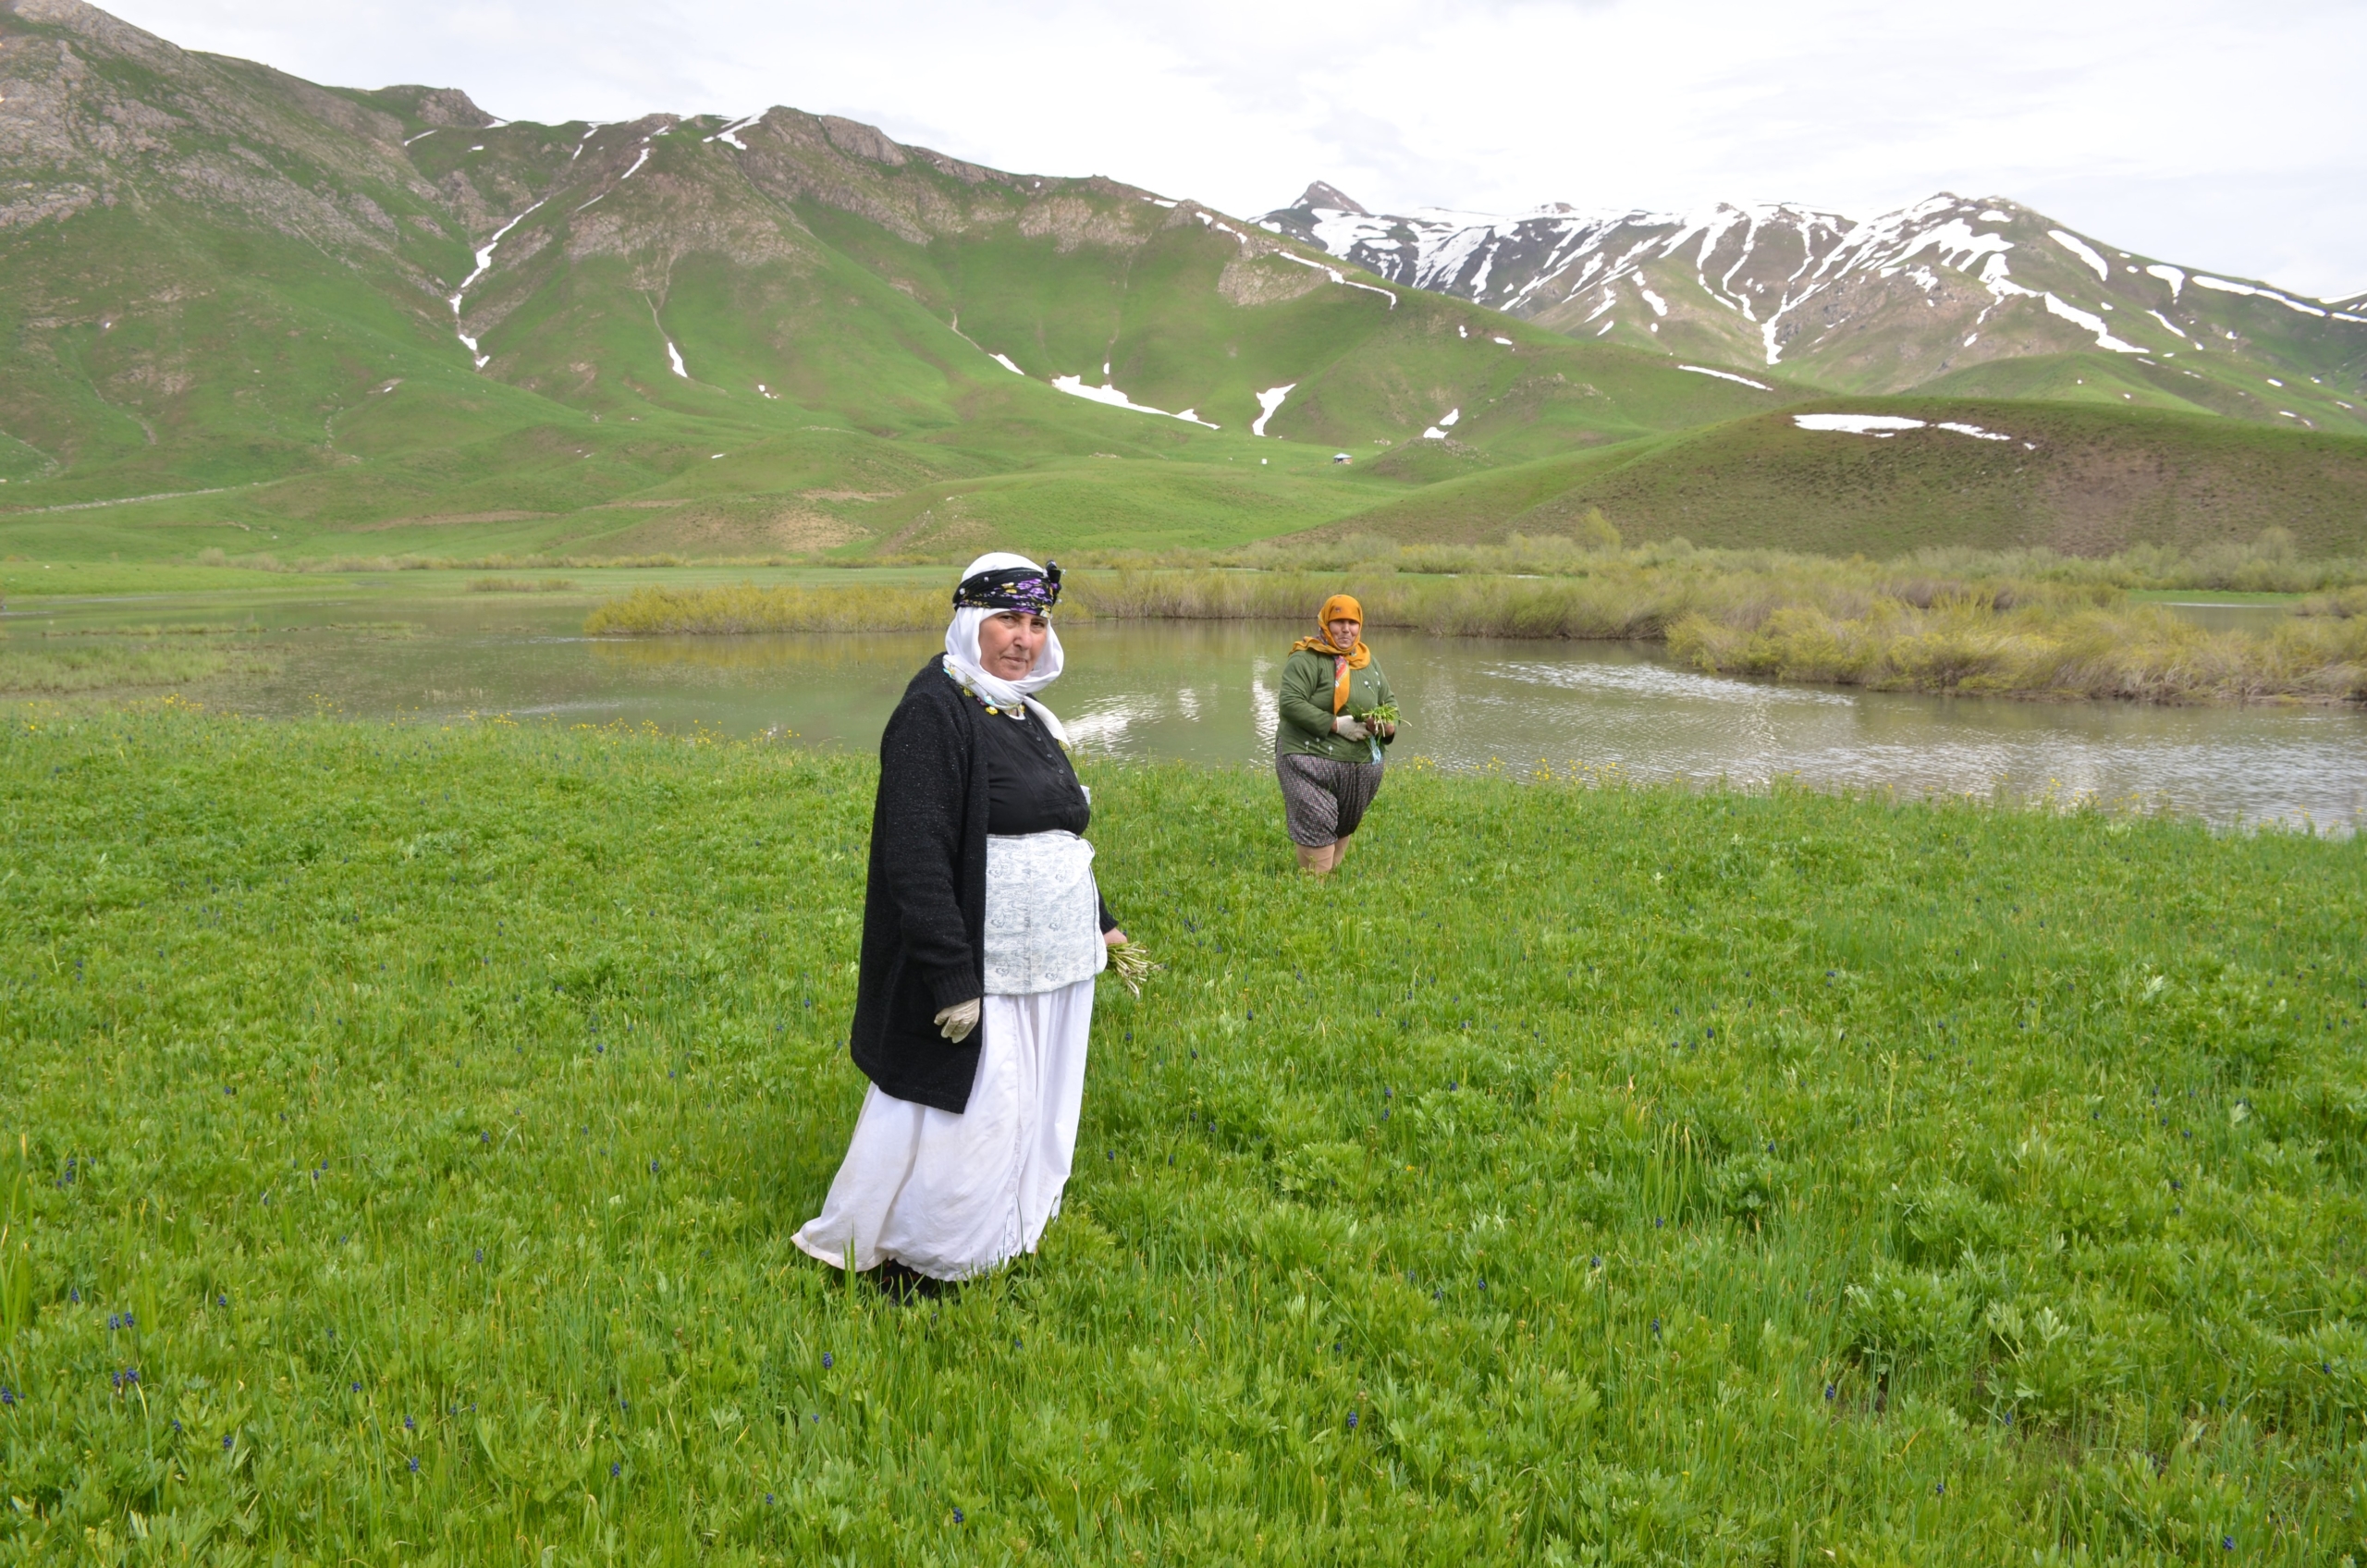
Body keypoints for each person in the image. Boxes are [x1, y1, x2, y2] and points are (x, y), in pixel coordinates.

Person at [793, 552, 1126, 1289]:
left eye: (1037, 622)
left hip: (1052, 959)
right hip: (987, 962)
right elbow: (913, 853)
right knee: (973, 1110)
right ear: (971, 621)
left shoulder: (1020, 709)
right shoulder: (934, 710)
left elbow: (1057, 827)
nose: (1024, 638)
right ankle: (923, 1258)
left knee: (1032, 1102)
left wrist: (1098, 921)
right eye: (1008, 618)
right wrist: (950, 976)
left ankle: (1004, 1229)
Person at [1274, 593, 1399, 876]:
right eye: (1338, 621)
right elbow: (1290, 704)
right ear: (1325, 624)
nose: (1346, 629)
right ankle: (1312, 893)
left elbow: (1389, 704)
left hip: (1358, 764)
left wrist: (1385, 726)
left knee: (1344, 824)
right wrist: (1336, 725)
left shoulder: (1367, 661)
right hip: (1308, 758)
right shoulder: (1306, 658)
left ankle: (1327, 882)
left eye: (1352, 623)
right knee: (1317, 821)